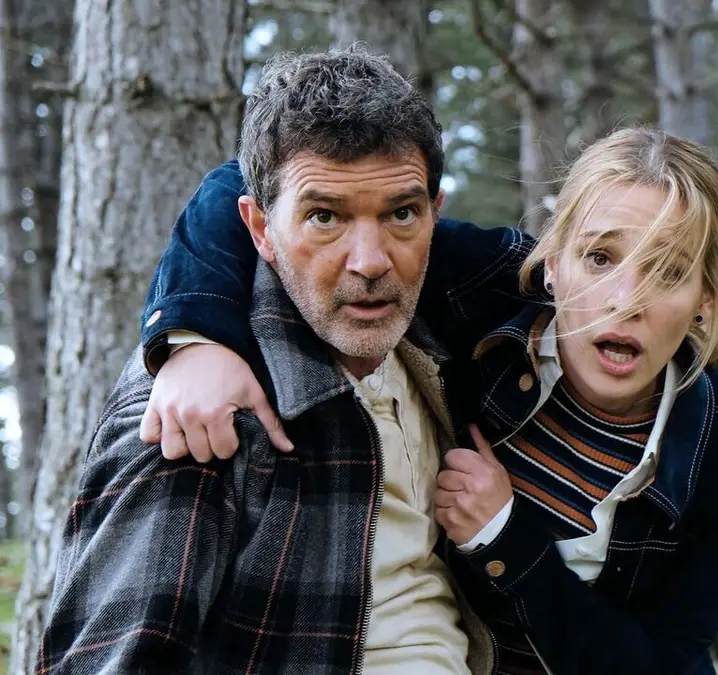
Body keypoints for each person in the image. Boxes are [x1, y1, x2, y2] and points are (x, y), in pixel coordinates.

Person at [135, 124, 718, 674]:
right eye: (600, 258)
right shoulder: (484, 285)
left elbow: (661, 664)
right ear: (553, 261)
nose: (627, 300)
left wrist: (506, 537)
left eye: (668, 270)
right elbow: (252, 185)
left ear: (705, 301)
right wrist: (194, 340)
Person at [38, 46, 511, 674]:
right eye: (324, 217)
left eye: (401, 214)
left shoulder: (442, 346)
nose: (371, 261)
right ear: (259, 228)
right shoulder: (200, 419)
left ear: (434, 214)